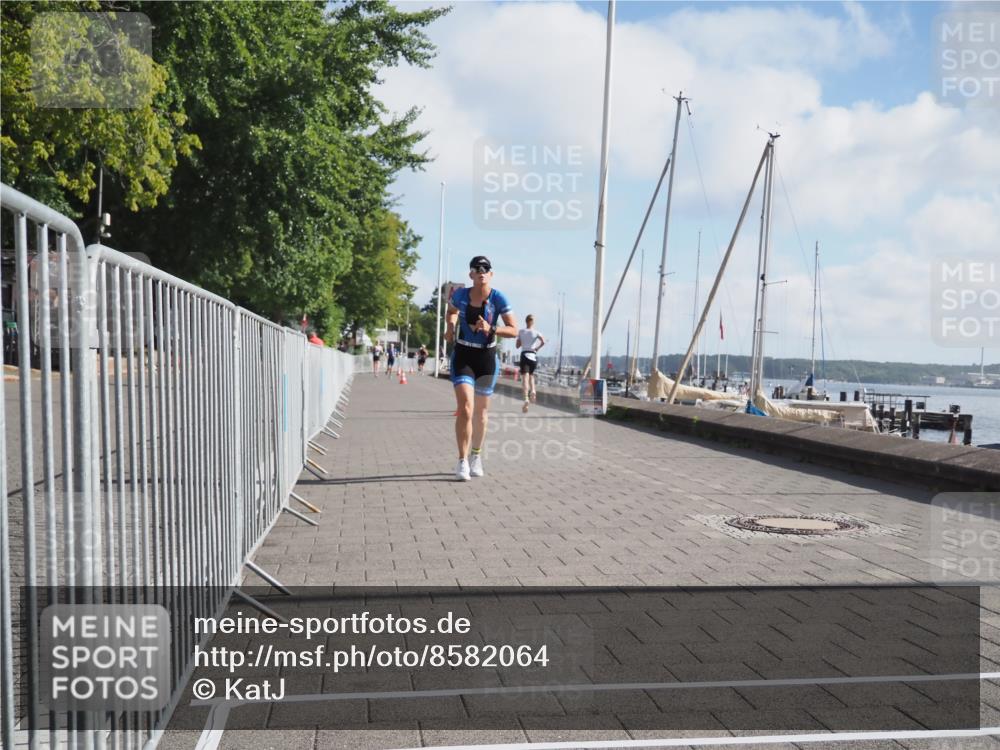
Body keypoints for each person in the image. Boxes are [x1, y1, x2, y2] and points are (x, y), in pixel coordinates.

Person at [445, 255, 517, 481]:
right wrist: (449, 327)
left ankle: (476, 455)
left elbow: (514, 330)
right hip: (464, 354)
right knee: (466, 408)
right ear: (471, 275)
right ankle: (462, 460)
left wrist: (492, 328)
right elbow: (451, 312)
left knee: (481, 413)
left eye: (486, 268)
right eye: (477, 269)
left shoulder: (498, 298)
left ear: (491, 274)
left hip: (486, 358)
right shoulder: (460, 295)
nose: (482, 271)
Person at [515, 314, 545, 413]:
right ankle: (533, 390)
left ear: (526, 321)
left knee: (525, 378)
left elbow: (517, 346)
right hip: (533, 356)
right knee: (531, 376)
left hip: (525, 355)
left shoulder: (521, 331)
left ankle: (526, 398)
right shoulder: (537, 332)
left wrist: (522, 341)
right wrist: (537, 348)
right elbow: (543, 342)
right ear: (533, 322)